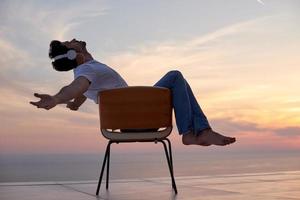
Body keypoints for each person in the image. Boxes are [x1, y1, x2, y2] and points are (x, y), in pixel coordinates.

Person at [30, 38, 236, 146]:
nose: (74, 39)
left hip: (127, 123)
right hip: (142, 119)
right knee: (174, 76)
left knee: (177, 79)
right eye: (69, 42)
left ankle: (198, 132)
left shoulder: (86, 72)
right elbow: (75, 88)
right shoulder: (86, 71)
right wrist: (57, 98)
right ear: (73, 53)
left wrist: (75, 103)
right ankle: (194, 133)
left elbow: (81, 90)